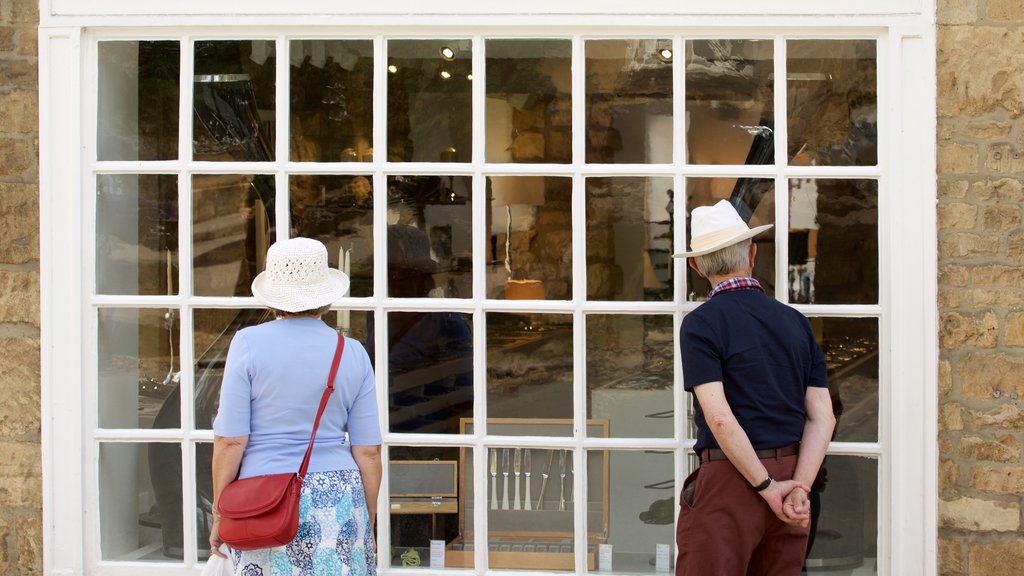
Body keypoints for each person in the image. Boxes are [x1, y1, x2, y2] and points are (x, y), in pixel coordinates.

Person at [674, 200, 835, 576]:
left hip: (731, 480)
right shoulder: (796, 322)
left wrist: (766, 487)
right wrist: (798, 488)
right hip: (794, 473)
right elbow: (823, 418)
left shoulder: (701, 325)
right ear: (752, 253)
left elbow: (719, 418)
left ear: (696, 266)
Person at [209, 237, 382, 576]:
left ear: (273, 297)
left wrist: (221, 514)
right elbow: (369, 453)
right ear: (327, 298)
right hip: (340, 496)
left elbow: (230, 441)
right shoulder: (352, 352)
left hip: (264, 498)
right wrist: (365, 519)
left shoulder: (247, 344)